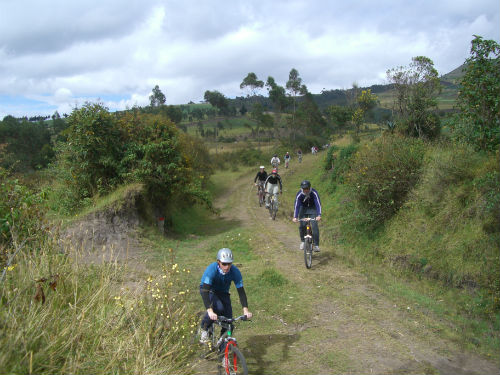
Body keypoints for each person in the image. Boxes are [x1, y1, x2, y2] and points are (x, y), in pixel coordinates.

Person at [199, 248, 252, 344]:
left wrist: (245, 310)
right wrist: (210, 311)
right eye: (224, 264)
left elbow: (241, 292)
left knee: (229, 324)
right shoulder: (212, 270)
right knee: (218, 308)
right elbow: (205, 291)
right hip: (209, 290)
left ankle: (223, 351)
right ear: (218, 262)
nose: (227, 267)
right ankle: (204, 328)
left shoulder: (235, 272)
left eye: (229, 264)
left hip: (223, 292)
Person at [292, 180, 322, 252]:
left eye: (307, 188)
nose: (305, 190)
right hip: (303, 209)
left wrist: (319, 215)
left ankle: (316, 245)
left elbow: (318, 204)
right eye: (304, 189)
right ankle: (303, 241)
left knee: (314, 226)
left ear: (309, 187)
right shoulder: (299, 194)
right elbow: (297, 205)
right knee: (302, 225)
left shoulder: (314, 193)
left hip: (312, 209)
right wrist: (295, 217)